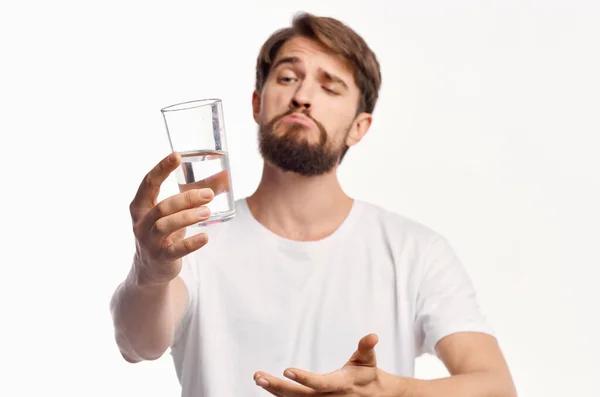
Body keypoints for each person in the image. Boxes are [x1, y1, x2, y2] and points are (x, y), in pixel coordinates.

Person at [110, 12, 518, 397]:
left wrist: (392, 391)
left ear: (359, 127)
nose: (302, 96)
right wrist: (150, 272)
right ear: (257, 103)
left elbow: (496, 387)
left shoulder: (415, 251)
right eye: (287, 77)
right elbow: (137, 344)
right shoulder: (195, 242)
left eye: (329, 86)